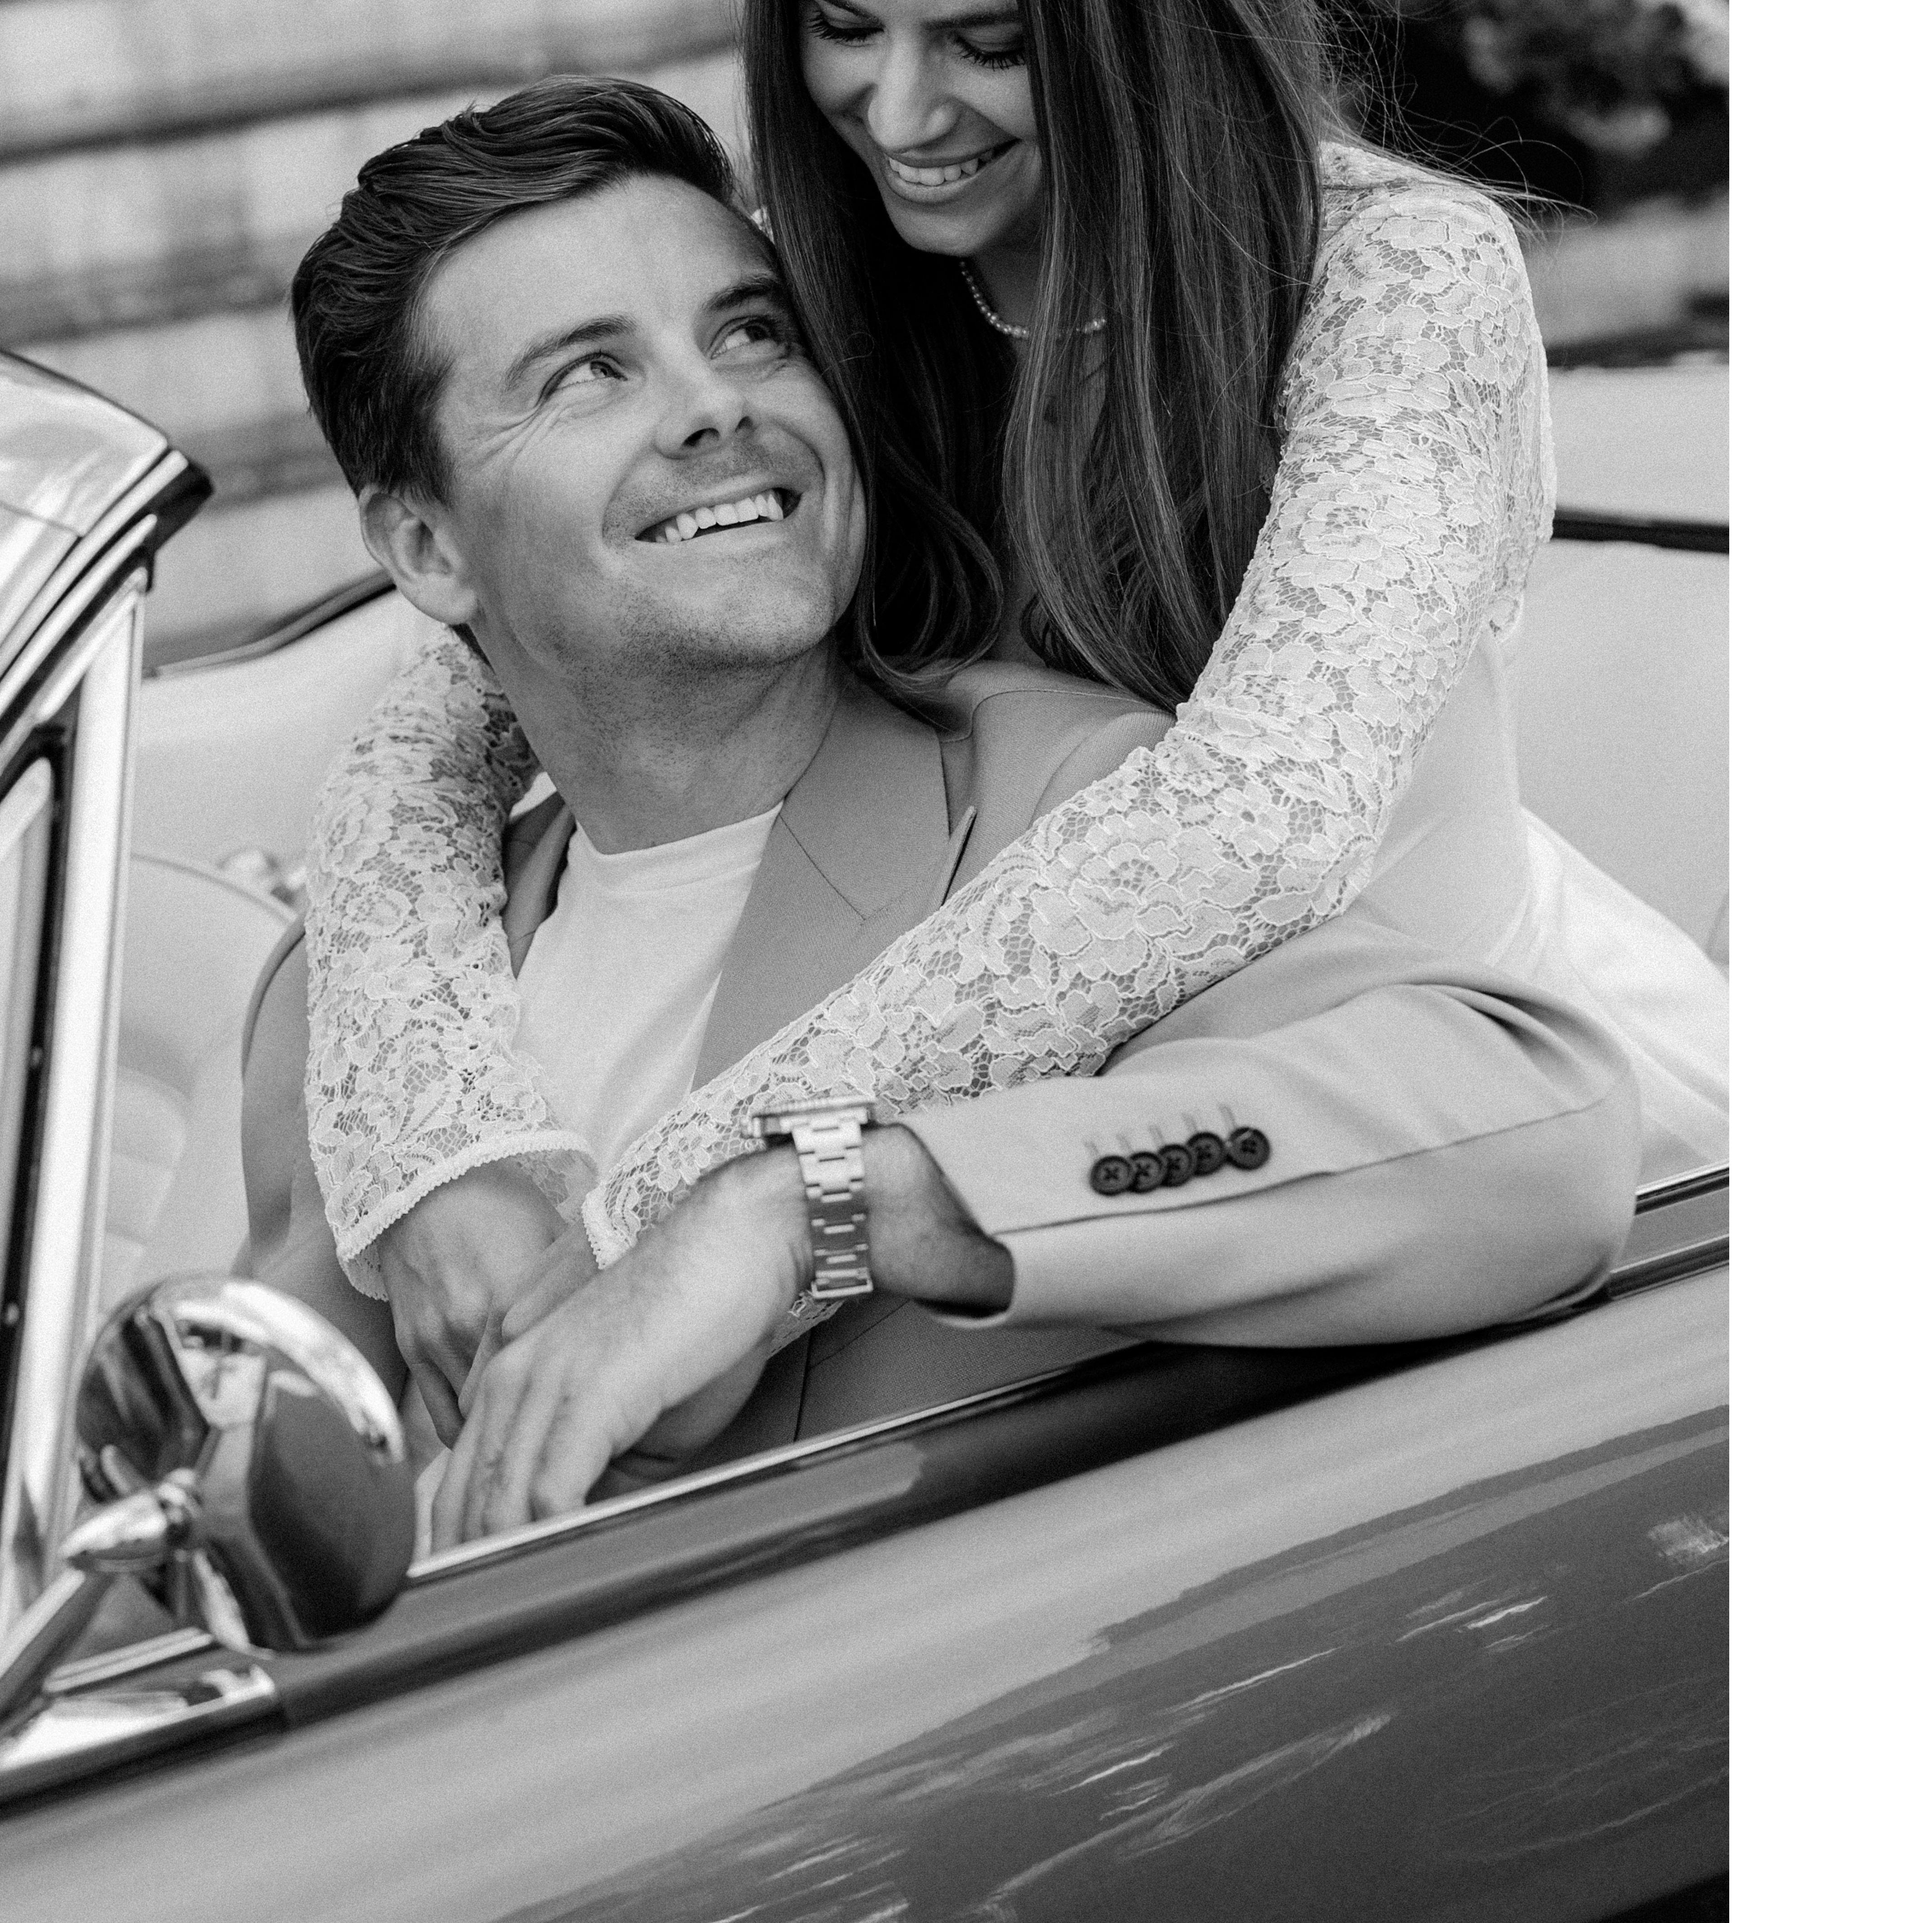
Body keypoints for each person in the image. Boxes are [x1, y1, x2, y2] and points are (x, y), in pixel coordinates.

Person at [299, 0, 1732, 1460]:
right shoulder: (840, 274)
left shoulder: (1392, 280)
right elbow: (433, 714)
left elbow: (1250, 829)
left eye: (986, 39)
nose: (897, 111)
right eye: (839, 24)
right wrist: (436, 1145)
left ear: (1150, 2)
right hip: (1021, 1203)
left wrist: (703, 1198)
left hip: (1420, 1118)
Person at [239, 78, 1643, 1539]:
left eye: (751, 330)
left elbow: (1546, 1134)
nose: (715, 404)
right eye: (589, 373)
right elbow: (262, 1509)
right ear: (426, 547)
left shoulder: (1078, 816)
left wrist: (818, 1212)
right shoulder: (356, 1014)